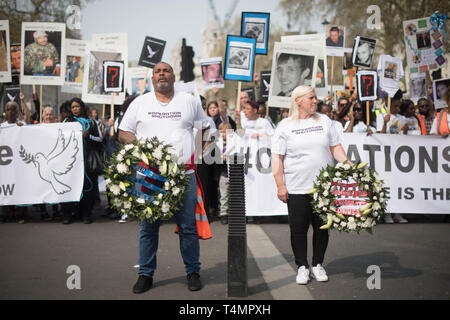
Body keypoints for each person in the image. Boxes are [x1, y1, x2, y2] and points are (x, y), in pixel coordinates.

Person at [118, 62, 213, 293]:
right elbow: (123, 132)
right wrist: (143, 148)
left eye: (166, 71)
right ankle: (145, 274)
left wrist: (198, 154)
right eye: (158, 71)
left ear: (173, 77)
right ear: (152, 78)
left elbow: (206, 129)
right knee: (148, 227)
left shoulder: (189, 101)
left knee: (188, 227)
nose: (162, 74)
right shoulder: (140, 103)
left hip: (183, 175)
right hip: (149, 175)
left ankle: (193, 271)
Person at [271, 85, 351, 285]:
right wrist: (280, 185)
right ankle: (302, 267)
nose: (316, 101)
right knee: (298, 230)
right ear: (298, 101)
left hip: (324, 188)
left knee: (322, 227)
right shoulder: (285, 126)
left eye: (316, 98)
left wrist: (351, 166)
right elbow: (277, 159)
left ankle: (317, 264)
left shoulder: (325, 121)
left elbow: (336, 149)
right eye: (312, 98)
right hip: (297, 187)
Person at [61, 98, 102, 224]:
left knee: (87, 187)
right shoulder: (66, 122)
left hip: (87, 162)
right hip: (71, 162)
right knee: (70, 186)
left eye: (77, 106)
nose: (75, 109)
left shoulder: (92, 122)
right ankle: (68, 214)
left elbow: (100, 139)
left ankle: (86, 214)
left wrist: (88, 136)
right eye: (73, 107)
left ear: (82, 107)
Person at [1, 101, 28, 224]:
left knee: (20, 187)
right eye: (8, 109)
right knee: (6, 186)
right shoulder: (2, 127)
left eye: (13, 109)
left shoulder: (22, 125)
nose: (10, 112)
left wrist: (23, 129)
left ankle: (20, 213)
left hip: (19, 164)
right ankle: (6, 212)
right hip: (6, 164)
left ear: (17, 112)